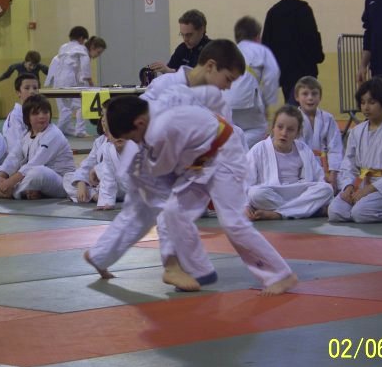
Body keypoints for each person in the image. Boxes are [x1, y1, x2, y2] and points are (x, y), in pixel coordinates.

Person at [86, 87, 298, 296]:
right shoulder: (149, 119)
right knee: (165, 210)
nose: (134, 143)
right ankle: (191, 270)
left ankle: (280, 275)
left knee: (232, 221)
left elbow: (167, 175)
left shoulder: (165, 126)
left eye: (132, 138)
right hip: (196, 159)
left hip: (222, 153)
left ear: (139, 123)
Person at [328, 77, 382, 223]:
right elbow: (348, 164)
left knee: (360, 213)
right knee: (335, 211)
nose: (366, 107)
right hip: (360, 184)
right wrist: (348, 186)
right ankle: (359, 209)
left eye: (372, 102)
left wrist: (367, 190)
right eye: (363, 102)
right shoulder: (356, 131)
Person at [246, 105, 333, 220]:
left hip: (299, 191)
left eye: (290, 129)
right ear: (273, 127)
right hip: (272, 193)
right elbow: (244, 182)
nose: (284, 133)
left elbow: (319, 178)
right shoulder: (259, 149)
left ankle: (279, 214)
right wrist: (245, 206)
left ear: (297, 133)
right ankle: (307, 211)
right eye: (280, 127)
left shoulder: (304, 149)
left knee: (326, 189)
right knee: (255, 194)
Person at [0, 94, 75, 200]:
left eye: (45, 112)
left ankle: (11, 193)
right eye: (36, 113)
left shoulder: (54, 134)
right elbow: (14, 156)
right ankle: (27, 191)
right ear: (27, 117)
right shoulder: (26, 134)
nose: (42, 116)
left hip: (60, 181)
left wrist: (9, 182)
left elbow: (35, 163)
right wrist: (2, 175)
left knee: (37, 172)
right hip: (33, 175)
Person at [262, 0, 324, 104]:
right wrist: (318, 56)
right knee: (307, 104)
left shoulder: (273, 12)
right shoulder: (303, 10)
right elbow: (312, 37)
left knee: (291, 103)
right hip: (305, 68)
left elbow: (266, 43)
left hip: (284, 71)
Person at [223, 16, 280, 148]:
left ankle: (233, 151)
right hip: (248, 100)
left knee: (230, 132)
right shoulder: (261, 50)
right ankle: (242, 152)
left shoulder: (229, 51)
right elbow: (272, 76)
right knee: (259, 128)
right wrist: (266, 103)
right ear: (257, 37)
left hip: (225, 101)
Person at [295, 76, 344, 192]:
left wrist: (333, 174)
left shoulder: (328, 118)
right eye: (305, 94)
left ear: (320, 97)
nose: (310, 98)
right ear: (297, 97)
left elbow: (335, 148)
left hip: (326, 166)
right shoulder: (293, 119)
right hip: (301, 167)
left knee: (343, 186)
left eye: (314, 94)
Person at [44, 26, 93, 137]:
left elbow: (55, 62)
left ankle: (67, 129)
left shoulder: (63, 47)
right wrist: (88, 78)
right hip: (69, 79)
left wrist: (49, 80)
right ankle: (79, 130)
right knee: (81, 105)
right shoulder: (81, 48)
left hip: (58, 79)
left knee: (64, 107)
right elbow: (85, 63)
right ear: (81, 38)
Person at [149, 9, 211, 74]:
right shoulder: (181, 48)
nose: (185, 39)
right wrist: (165, 70)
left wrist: (171, 71)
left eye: (189, 35)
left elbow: (200, 76)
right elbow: (170, 70)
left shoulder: (212, 50)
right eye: (182, 34)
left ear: (201, 30)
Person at [63, 117, 107, 205]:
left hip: (114, 184)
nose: (103, 121)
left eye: (107, 118)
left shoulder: (122, 141)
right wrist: (81, 181)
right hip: (98, 184)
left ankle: (95, 196)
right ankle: (94, 195)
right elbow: (87, 164)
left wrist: (96, 171)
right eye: (102, 117)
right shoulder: (100, 141)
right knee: (68, 177)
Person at [3, 72, 39, 153]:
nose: (32, 91)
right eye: (27, 88)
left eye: (35, 88)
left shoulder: (41, 114)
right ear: (18, 92)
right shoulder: (15, 117)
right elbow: (15, 150)